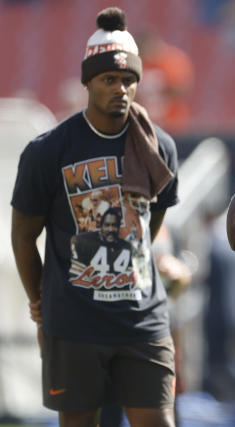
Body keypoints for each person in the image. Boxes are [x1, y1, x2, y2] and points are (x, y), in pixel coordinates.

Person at [11, 7, 179, 427]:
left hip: (142, 318)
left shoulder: (160, 148)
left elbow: (151, 226)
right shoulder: (47, 151)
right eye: (108, 79)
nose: (120, 89)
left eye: (128, 80)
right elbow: (22, 235)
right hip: (74, 322)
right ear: (88, 81)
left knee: (158, 421)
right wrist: (40, 300)